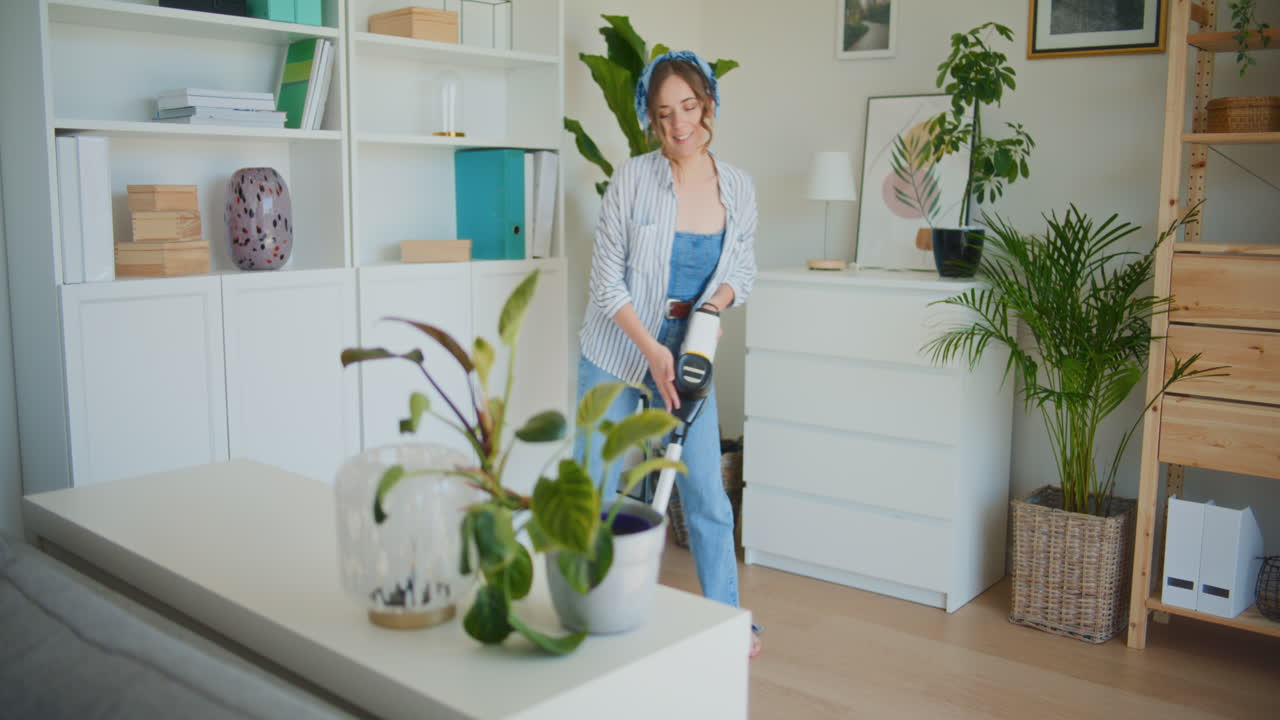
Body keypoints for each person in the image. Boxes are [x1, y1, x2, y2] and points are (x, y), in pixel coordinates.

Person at [574, 50, 760, 658]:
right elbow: (607, 285)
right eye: (663, 114)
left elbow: (742, 268)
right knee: (597, 483)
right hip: (620, 347)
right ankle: (588, 601)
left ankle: (726, 620)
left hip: (690, 354)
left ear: (707, 104)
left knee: (705, 489)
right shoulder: (632, 178)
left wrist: (713, 309)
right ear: (650, 121)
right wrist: (651, 350)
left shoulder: (737, 186)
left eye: (688, 107)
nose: (679, 124)